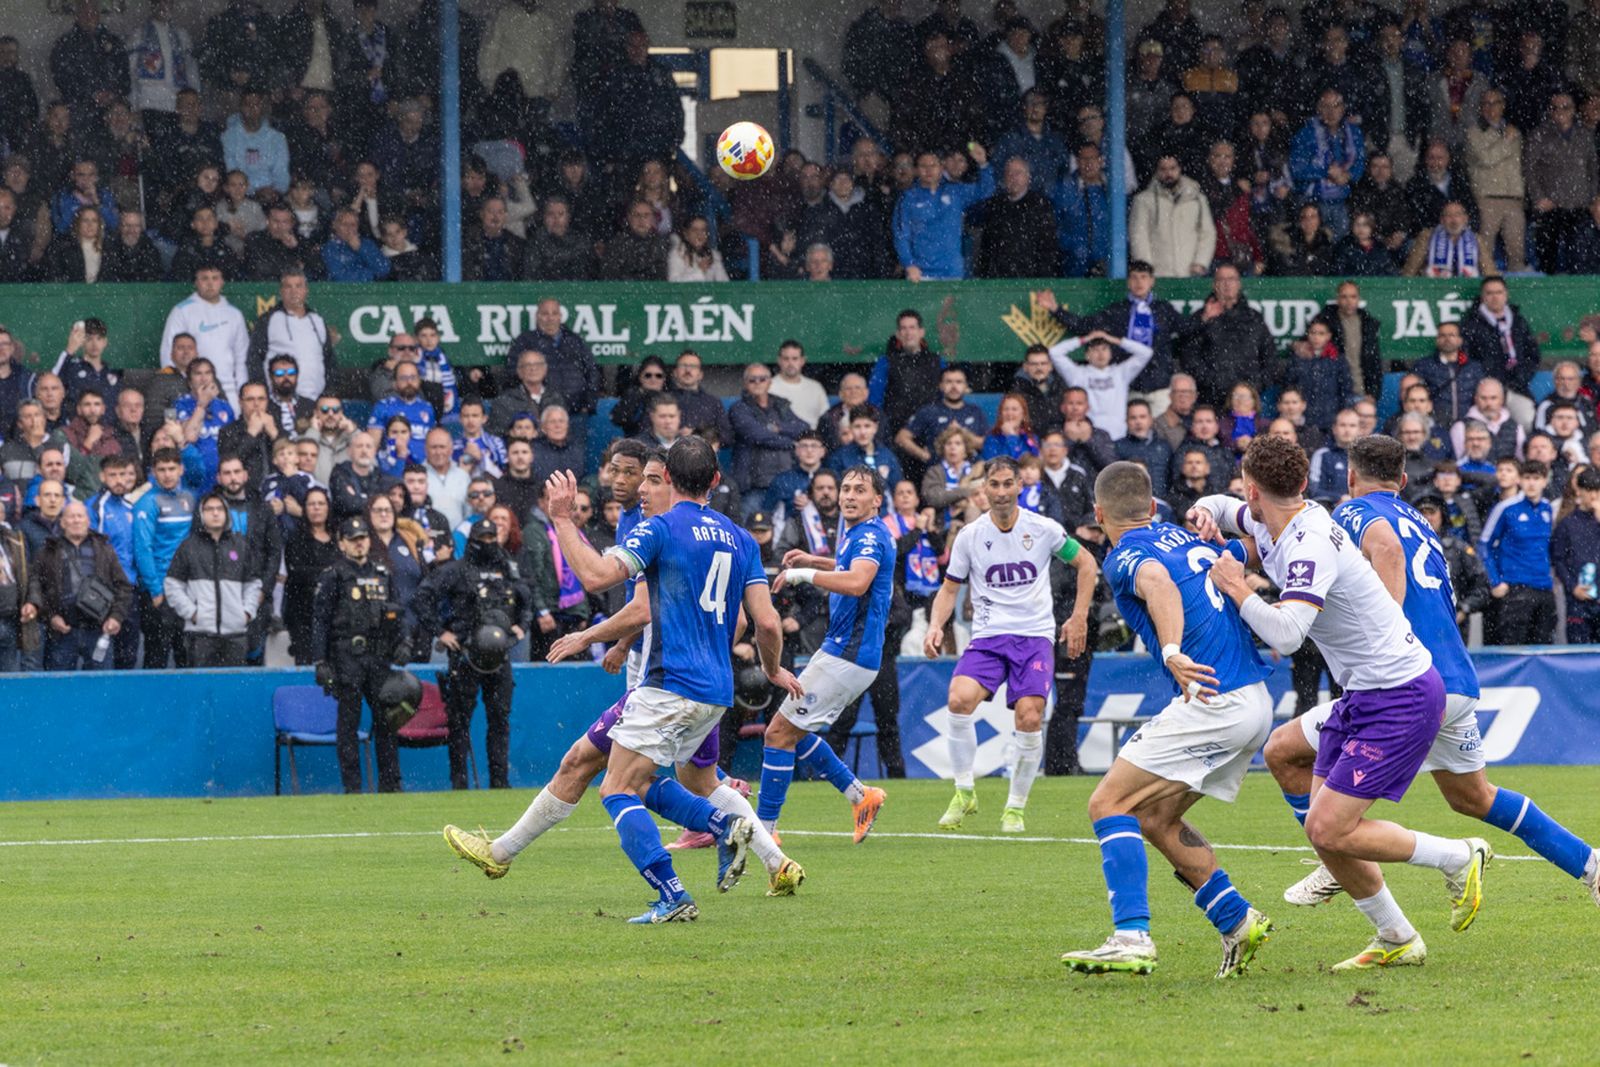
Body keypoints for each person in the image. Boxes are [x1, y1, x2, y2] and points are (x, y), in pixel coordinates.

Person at [1269, 436, 1600, 912]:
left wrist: (1387, 634)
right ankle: (1590, 864)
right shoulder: (1421, 523)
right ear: (1402, 481)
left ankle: (1337, 854)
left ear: (1349, 478)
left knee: (1285, 753)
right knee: (1474, 796)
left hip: (1405, 683)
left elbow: (1386, 554)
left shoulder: (1353, 513)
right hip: (1456, 680)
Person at [1195, 435, 1484, 971]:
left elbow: (1286, 634)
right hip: (1367, 691)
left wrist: (1237, 587)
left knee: (1329, 828)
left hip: (1400, 693)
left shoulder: (1309, 541)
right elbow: (1219, 508)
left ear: (1253, 488)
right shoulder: (1268, 518)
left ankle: (1459, 856)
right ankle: (1395, 935)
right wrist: (1202, 511)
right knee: (1295, 776)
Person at [537, 443, 802, 922]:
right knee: (654, 781)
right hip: (717, 693)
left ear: (670, 479)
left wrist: (562, 520)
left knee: (616, 790)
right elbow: (765, 623)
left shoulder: (659, 528)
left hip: (668, 683)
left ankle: (675, 893)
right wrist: (771, 670)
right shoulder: (741, 539)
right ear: (716, 480)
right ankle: (724, 825)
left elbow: (597, 576)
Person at [1060, 460, 1274, 976]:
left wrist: (1173, 649)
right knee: (1154, 817)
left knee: (1108, 802)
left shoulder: (1126, 555)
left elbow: (1158, 582)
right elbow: (1234, 558)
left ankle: (1131, 935)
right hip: (1253, 699)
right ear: (1153, 506)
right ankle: (1237, 920)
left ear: (1098, 513)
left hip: (1213, 697)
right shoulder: (1182, 536)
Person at [923, 457, 1097, 832]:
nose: (1001, 492)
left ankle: (1015, 807)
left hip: (1034, 636)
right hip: (988, 636)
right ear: (983, 489)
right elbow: (950, 588)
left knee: (1030, 716)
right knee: (958, 699)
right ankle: (964, 791)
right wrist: (936, 625)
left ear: (1020, 486)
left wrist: (1079, 615)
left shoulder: (1043, 529)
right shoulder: (971, 536)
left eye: (1007, 484)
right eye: (994, 485)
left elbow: (1086, 563)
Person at [758, 465, 895, 839]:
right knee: (794, 732)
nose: (850, 495)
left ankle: (766, 829)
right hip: (843, 651)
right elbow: (847, 567)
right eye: (846, 488)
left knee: (777, 734)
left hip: (848, 655)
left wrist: (804, 576)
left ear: (877, 500)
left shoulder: (869, 536)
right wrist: (813, 560)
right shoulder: (858, 532)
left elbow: (856, 581)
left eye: (860, 490)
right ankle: (861, 795)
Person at [414, 518, 531, 790]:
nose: (489, 543)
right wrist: (440, 632)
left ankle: (499, 782)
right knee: (459, 721)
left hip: (499, 656)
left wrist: (521, 627)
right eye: (484, 538)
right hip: (465, 654)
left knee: (500, 719)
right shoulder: (455, 570)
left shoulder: (508, 569)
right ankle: (459, 782)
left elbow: (527, 599)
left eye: (493, 538)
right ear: (473, 541)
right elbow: (422, 597)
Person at [310, 515, 406, 793]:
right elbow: (320, 621)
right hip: (347, 655)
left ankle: (391, 784)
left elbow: (397, 613)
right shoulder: (334, 575)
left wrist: (403, 643)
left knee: (387, 722)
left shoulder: (382, 572)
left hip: (379, 656)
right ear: (342, 544)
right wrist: (320, 661)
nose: (359, 544)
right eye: (353, 540)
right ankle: (352, 786)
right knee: (348, 724)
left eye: (363, 538)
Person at [27, 498, 131, 671]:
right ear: (62, 522)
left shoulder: (104, 550)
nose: (76, 520)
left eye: (80, 516)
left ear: (88, 521)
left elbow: (124, 587)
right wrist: (50, 616)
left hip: (98, 630)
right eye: (71, 516)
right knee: (61, 689)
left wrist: (116, 617)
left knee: (101, 687)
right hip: (63, 632)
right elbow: (36, 585)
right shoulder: (48, 551)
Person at [161, 491, 259, 668]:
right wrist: (193, 613)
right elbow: (172, 584)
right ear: (201, 514)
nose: (215, 513)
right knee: (201, 691)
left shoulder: (240, 545)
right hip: (200, 636)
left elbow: (252, 584)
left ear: (226, 512)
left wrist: (245, 613)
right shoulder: (189, 546)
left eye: (219, 509)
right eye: (209, 509)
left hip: (235, 635)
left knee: (233, 689)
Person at [1479, 459, 1554, 644]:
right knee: (1513, 648)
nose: (1531, 483)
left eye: (1536, 478)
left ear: (1545, 481)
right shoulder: (1505, 508)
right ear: (1519, 480)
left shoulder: (1547, 508)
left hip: (1544, 588)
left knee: (1543, 647)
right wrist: (1495, 581)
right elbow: (1483, 545)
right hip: (1515, 589)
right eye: (1527, 478)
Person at [892, 145, 994, 281]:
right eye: (923, 166)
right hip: (921, 273)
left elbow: (986, 190)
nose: (928, 170)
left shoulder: (955, 192)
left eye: (933, 165)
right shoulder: (908, 198)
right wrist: (909, 264)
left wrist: (983, 164)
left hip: (952, 271)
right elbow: (901, 235)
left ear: (941, 168)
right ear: (916, 170)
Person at [131, 447, 192, 669]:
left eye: (171, 469)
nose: (167, 474)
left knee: (186, 651)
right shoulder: (148, 502)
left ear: (181, 470)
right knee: (157, 653)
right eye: (162, 469)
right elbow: (143, 548)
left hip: (187, 588)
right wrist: (155, 590)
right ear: (153, 472)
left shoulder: (189, 498)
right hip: (160, 589)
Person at [160, 266, 249, 414]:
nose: (210, 283)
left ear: (222, 282)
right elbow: (168, 354)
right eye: (204, 278)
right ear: (196, 282)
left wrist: (243, 391)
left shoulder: (235, 314)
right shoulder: (182, 311)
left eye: (215, 278)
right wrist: (180, 388)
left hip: (229, 391)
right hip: (193, 392)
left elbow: (242, 358)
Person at [1047, 329, 1155, 440]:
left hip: (1119, 436)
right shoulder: (1078, 374)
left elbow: (1146, 352)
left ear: (1111, 354)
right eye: (1095, 350)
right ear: (1087, 355)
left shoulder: (1120, 373)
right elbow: (1054, 352)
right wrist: (1085, 339)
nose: (1100, 354)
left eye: (1104, 349)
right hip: (1090, 437)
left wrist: (1113, 339)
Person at [1553, 467, 1600, 645]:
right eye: (1589, 490)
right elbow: (1558, 560)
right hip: (1578, 602)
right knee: (1579, 654)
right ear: (1579, 490)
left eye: (1597, 490)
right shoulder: (1567, 524)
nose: (1593, 496)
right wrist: (1573, 587)